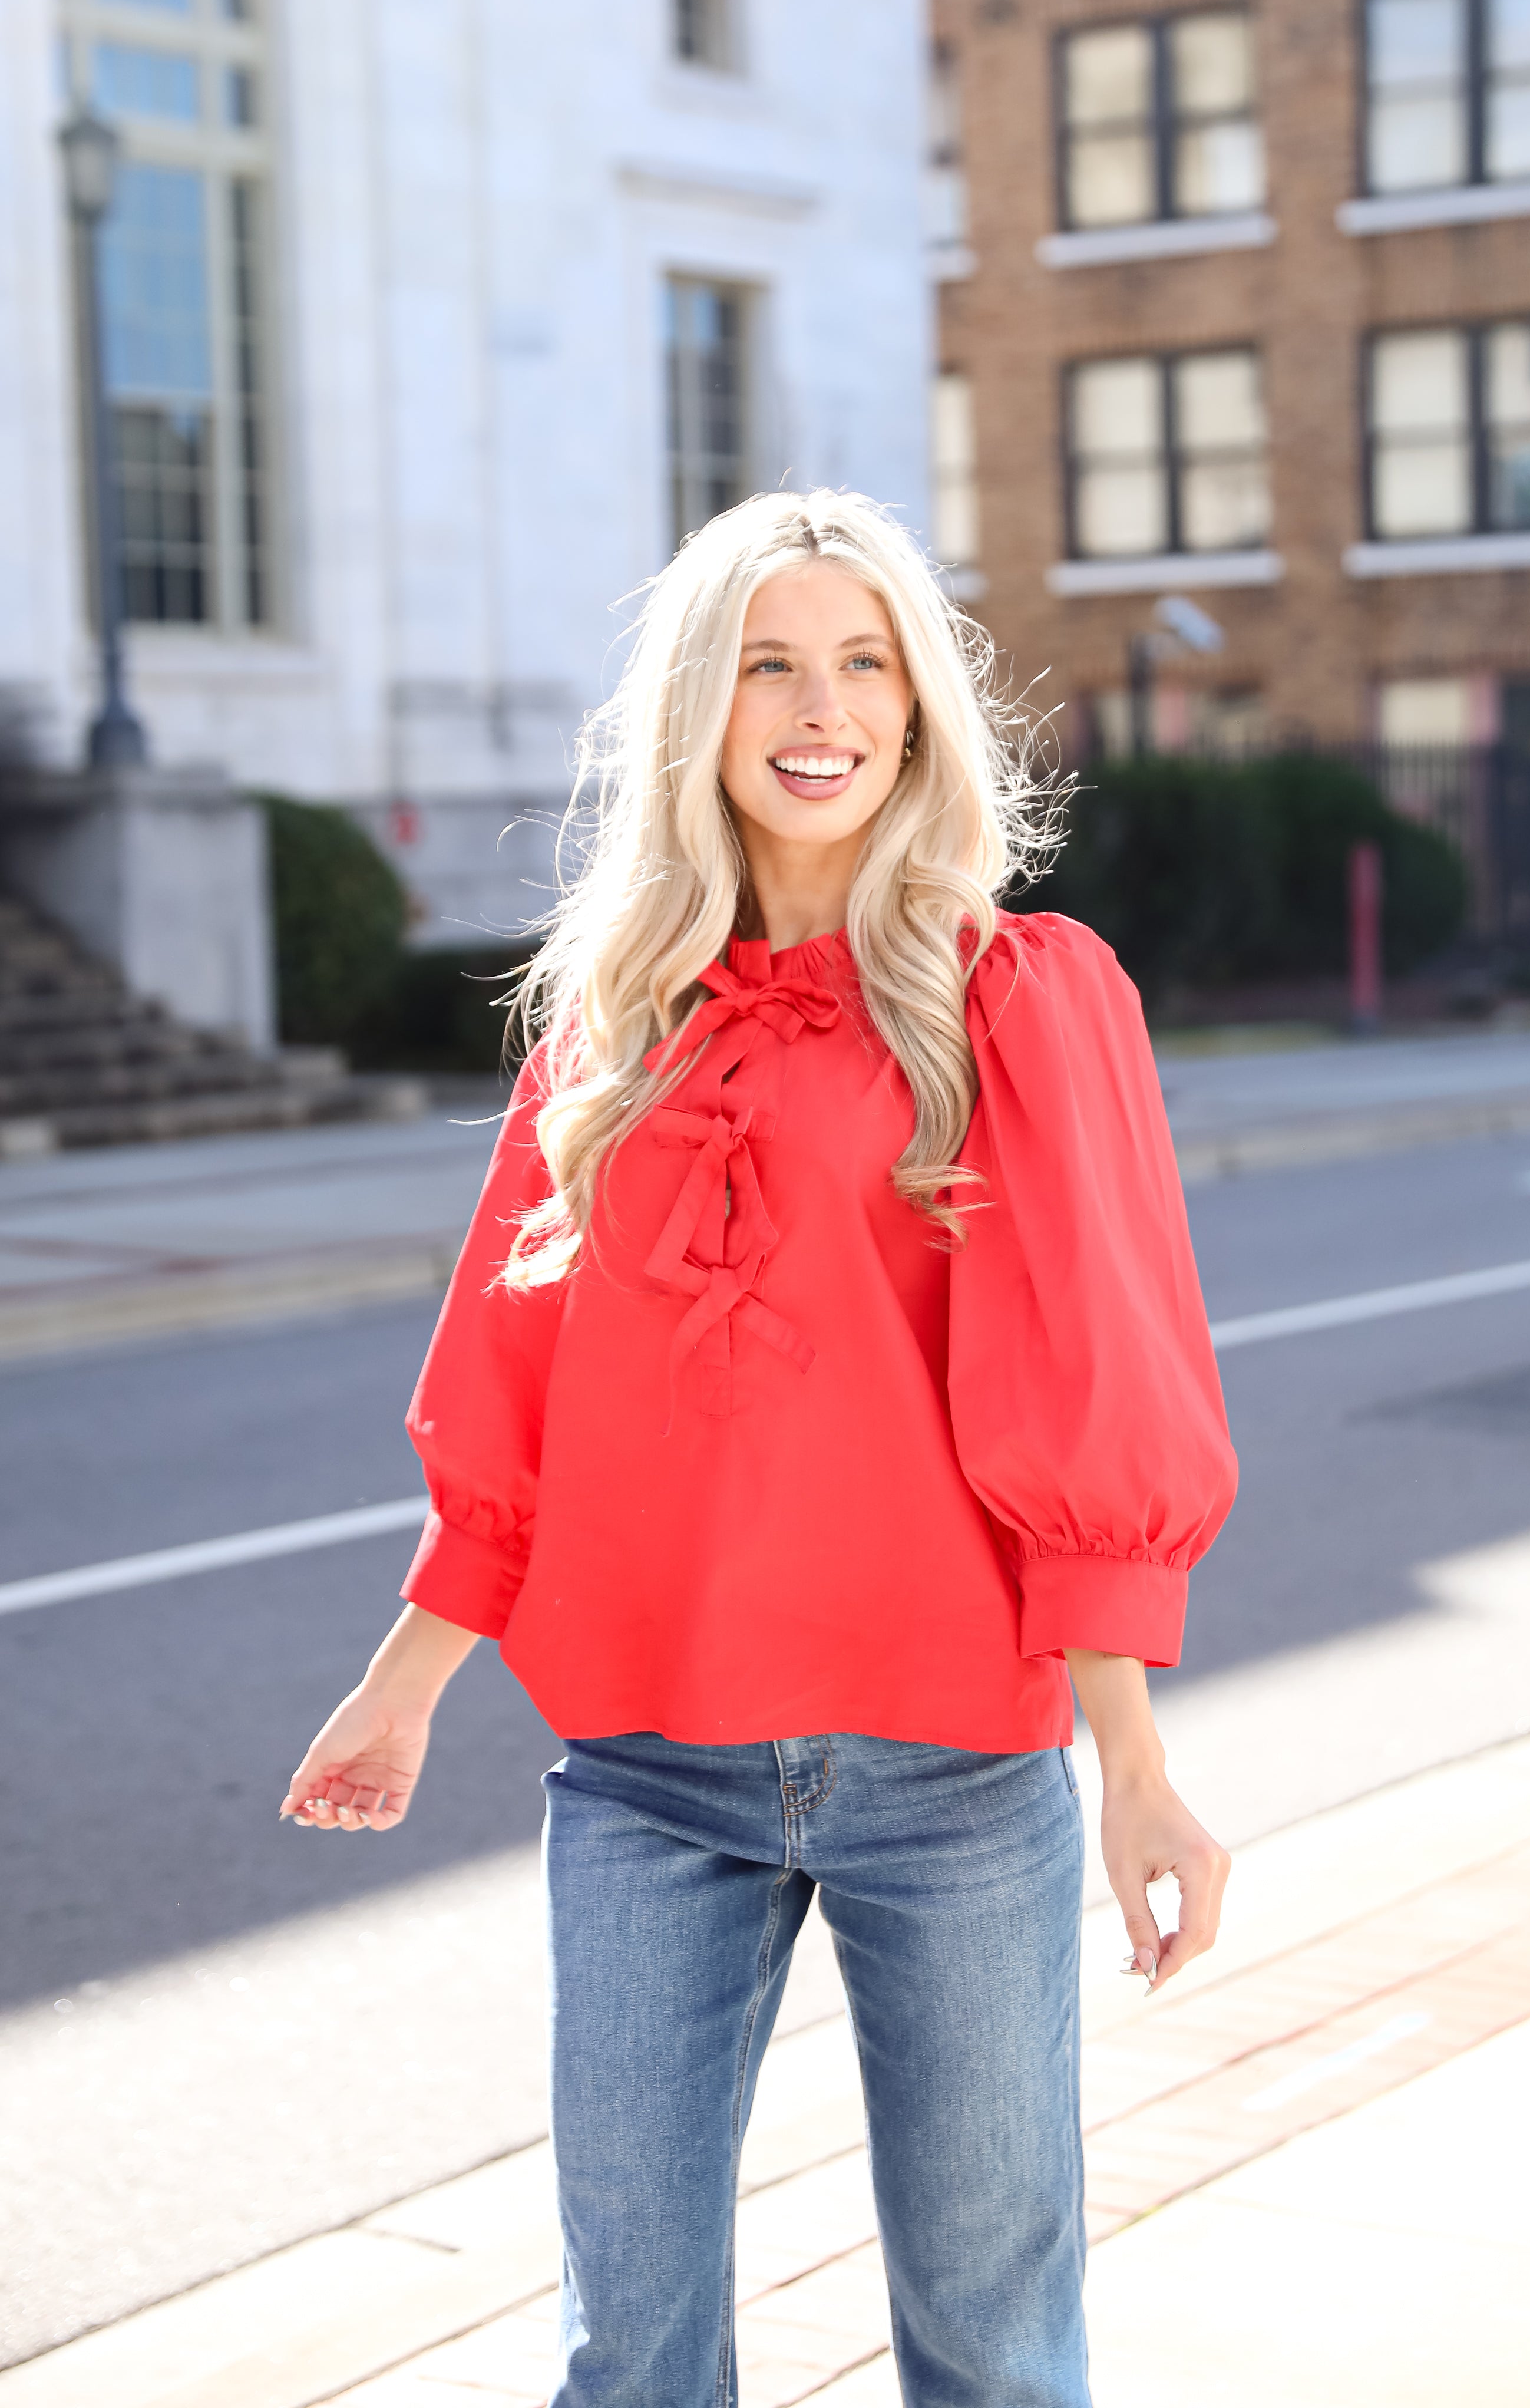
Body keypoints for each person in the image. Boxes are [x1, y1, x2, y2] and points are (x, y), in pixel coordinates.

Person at [282, 490, 1238, 2408]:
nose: (821, 706)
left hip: (952, 1768)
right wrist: (405, 1683)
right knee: (626, 2351)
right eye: (768, 663)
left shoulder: (1020, 999)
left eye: (864, 662)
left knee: (989, 2348)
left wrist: (1132, 1766)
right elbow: (514, 1372)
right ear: (697, 712)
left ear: (915, 709)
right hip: (648, 1770)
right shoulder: (611, 1020)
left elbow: (1096, 1381)